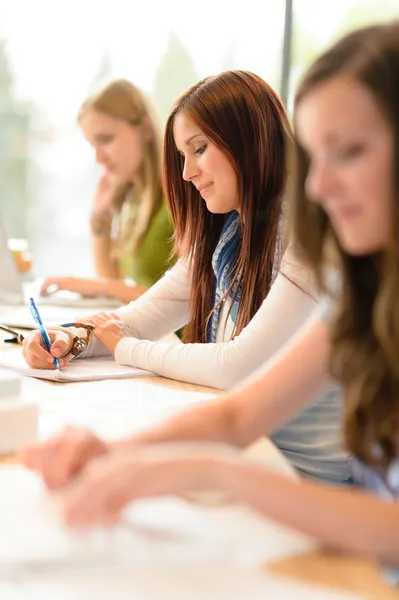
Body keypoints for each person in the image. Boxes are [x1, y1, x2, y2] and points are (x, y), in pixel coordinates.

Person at [22, 70, 351, 485]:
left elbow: (235, 366)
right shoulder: (227, 232)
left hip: (303, 475)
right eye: (182, 155)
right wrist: (70, 338)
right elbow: (139, 317)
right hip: (248, 451)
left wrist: (126, 348)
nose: (186, 173)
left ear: (251, 139)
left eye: (200, 149)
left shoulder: (307, 238)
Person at [40, 79, 174, 304]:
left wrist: (91, 285)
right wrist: (100, 220)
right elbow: (114, 286)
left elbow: (177, 301)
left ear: (146, 129)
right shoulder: (135, 201)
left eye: (106, 139)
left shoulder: (176, 197)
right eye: (93, 145)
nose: (99, 158)